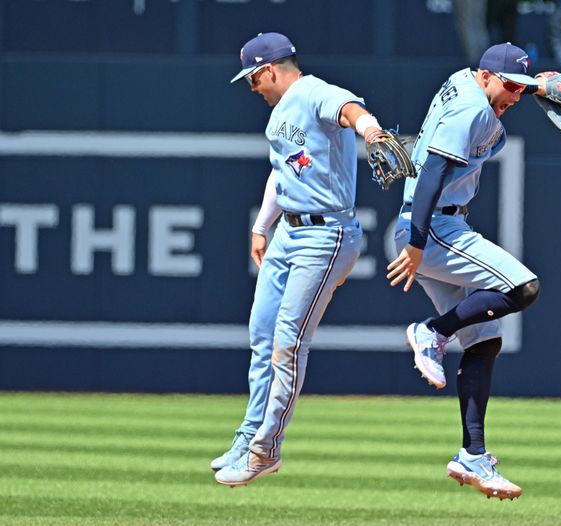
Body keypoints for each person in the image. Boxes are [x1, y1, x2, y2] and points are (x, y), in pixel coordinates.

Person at [212, 32, 391, 487]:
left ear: (270, 69)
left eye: (254, 79)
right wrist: (261, 225)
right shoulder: (278, 116)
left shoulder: (313, 92)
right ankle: (249, 432)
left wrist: (370, 129)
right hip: (289, 230)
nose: (253, 88)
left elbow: (350, 109)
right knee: (261, 336)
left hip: (325, 233)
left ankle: (264, 451)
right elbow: (282, 169)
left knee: (288, 344)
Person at [387, 42, 544, 500]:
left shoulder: (466, 81)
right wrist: (418, 245)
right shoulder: (474, 111)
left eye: (521, 89)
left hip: (433, 221)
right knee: (524, 287)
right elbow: (435, 170)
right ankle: (432, 332)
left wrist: (536, 86)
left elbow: (499, 85)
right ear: (487, 77)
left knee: (486, 340)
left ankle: (472, 455)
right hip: (434, 225)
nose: (514, 97)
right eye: (510, 87)